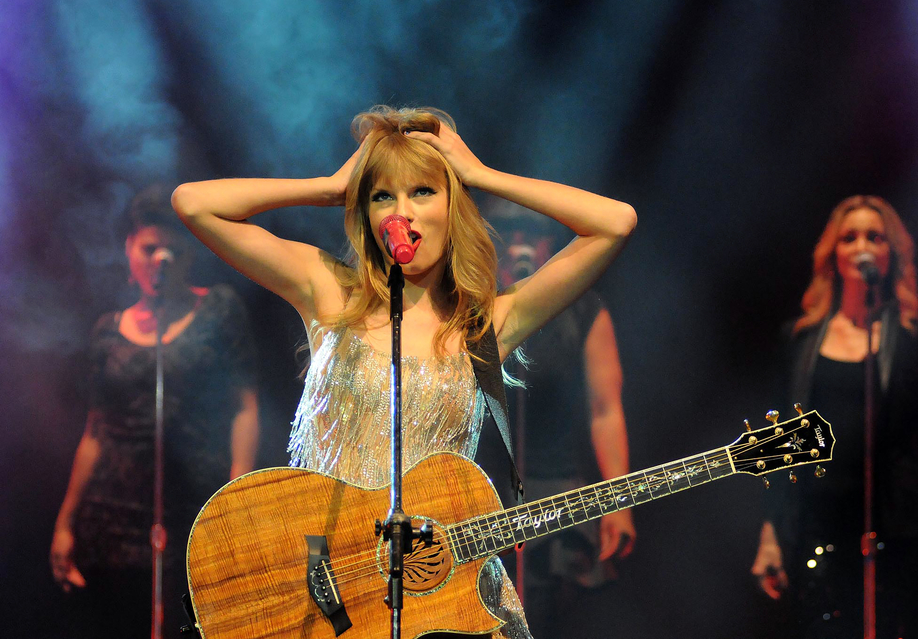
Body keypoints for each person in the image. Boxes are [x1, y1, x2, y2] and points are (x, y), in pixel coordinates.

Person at [171, 105, 637, 638]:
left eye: (423, 192)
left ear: (452, 205)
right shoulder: (329, 292)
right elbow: (193, 204)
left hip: (446, 603)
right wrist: (330, 187)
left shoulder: (485, 325)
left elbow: (615, 223)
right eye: (382, 196)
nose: (402, 213)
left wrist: (479, 174)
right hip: (329, 595)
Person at [750, 195, 918, 637]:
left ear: (891, 254)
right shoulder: (800, 341)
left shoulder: (917, 342)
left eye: (874, 237)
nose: (861, 246)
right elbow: (778, 449)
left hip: (895, 532)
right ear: (833, 254)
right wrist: (770, 536)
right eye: (850, 237)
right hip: (817, 528)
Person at [50, 186, 261, 638]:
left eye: (173, 250)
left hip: (195, 508)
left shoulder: (218, 310)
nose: (160, 259)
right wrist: (65, 522)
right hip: (113, 521)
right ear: (129, 249)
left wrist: (236, 495)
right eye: (149, 248)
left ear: (189, 256)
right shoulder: (107, 332)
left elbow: (244, 407)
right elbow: (94, 432)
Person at [495, 220, 635, 639]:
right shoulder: (469, 309)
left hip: (557, 494)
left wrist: (619, 501)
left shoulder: (583, 309)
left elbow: (605, 409)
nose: (520, 247)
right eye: (511, 235)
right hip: (481, 494)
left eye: (532, 236)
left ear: (550, 246)